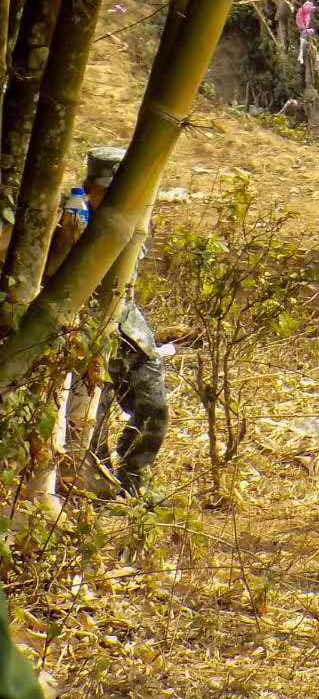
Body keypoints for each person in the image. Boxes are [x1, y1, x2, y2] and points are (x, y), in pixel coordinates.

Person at [82, 147, 169, 495]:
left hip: (128, 330)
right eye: (106, 190)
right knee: (88, 421)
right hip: (81, 333)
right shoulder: (69, 222)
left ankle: (134, 480)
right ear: (90, 188)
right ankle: (91, 487)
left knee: (154, 410)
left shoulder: (135, 222)